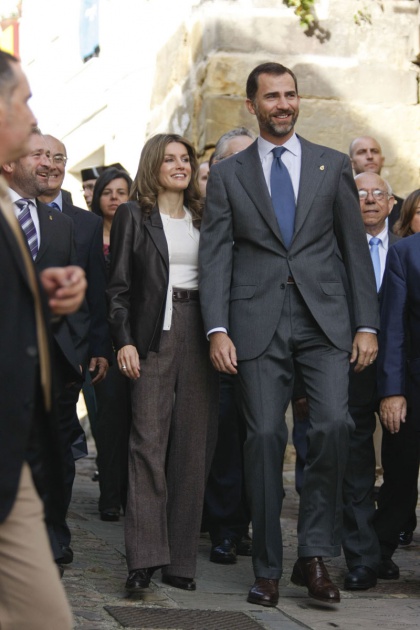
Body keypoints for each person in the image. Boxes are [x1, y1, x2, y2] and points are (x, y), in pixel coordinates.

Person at [199, 62, 379, 607]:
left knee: (329, 427)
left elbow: (354, 252)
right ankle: (269, 567)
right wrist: (216, 328)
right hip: (254, 324)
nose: (283, 104)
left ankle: (315, 556)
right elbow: (215, 257)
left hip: (325, 322)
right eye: (271, 96)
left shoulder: (332, 166)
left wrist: (366, 323)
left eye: (290, 95)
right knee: (263, 440)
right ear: (251, 106)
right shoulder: (230, 175)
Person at [107, 133, 218, 593]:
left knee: (194, 446)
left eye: (186, 158)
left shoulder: (206, 215)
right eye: (170, 159)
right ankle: (144, 560)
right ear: (153, 165)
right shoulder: (135, 214)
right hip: (155, 331)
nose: (180, 165)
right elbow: (118, 289)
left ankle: (181, 562)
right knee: (147, 443)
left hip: (203, 328)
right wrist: (125, 341)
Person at [0, 49, 86, 629]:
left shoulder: (12, 206)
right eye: (23, 99)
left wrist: (40, 297)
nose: (32, 116)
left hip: (18, 455)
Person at [341, 171, 400, 590]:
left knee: (400, 471)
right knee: (357, 468)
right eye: (361, 193)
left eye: (379, 193)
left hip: (403, 374)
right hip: (351, 369)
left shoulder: (408, 250)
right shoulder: (333, 248)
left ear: (392, 203)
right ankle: (361, 557)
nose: (370, 200)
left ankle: (381, 544)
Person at [202, 128, 255, 566]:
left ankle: (246, 525)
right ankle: (222, 528)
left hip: (263, 342)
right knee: (222, 440)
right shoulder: (202, 217)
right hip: (215, 343)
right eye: (235, 158)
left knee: (260, 438)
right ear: (217, 167)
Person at [373, 188, 420, 575]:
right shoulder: (405, 253)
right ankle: (378, 552)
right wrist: (392, 391)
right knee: (400, 476)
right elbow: (392, 328)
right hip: (413, 387)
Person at [91, 167, 133, 521]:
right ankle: (109, 497)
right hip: (102, 343)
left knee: (139, 422)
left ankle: (132, 494)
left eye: (122, 191)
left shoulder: (139, 230)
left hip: (135, 340)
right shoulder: (88, 234)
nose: (115, 197)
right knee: (109, 421)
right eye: (108, 191)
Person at [349, 136, 404, 230]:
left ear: (382, 160)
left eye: (374, 151)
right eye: (362, 152)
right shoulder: (339, 206)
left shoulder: (403, 207)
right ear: (351, 163)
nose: (370, 156)